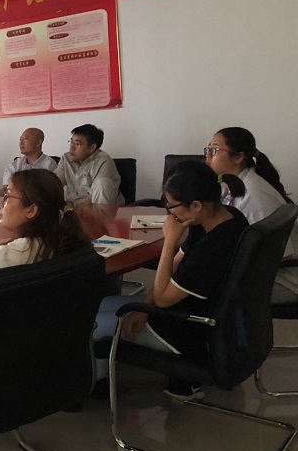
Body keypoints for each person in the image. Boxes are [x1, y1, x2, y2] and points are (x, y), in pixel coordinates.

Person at [93, 160, 248, 401]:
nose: (169, 213)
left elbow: (164, 299)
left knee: (93, 324)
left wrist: (169, 241)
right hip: (196, 310)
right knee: (101, 304)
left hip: (187, 327)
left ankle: (96, 386)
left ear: (196, 205)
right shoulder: (223, 218)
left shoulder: (213, 249)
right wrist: (144, 306)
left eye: (172, 206)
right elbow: (176, 263)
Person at [0, 169, 90, 359]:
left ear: (31, 210)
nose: (1, 202)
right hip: (49, 357)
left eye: (7, 196)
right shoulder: (70, 246)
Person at [204, 127, 298, 302]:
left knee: (200, 285)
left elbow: (282, 255)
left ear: (239, 157)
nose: (208, 155)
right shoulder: (232, 183)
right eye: (208, 149)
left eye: (214, 150)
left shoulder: (255, 197)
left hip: (280, 278)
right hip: (261, 272)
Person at [55, 124, 124, 205]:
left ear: (92, 147)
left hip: (99, 207)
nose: (72, 147)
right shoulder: (66, 158)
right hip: (72, 207)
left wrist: (72, 208)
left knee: (103, 183)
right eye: (71, 142)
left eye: (77, 144)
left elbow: (95, 196)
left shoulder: (104, 161)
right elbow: (56, 182)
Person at [0, 128, 57, 196]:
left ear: (38, 143)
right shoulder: (15, 165)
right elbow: (5, 190)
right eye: (20, 139)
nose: (21, 143)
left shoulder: (49, 164)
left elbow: (52, 193)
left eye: (25, 139)